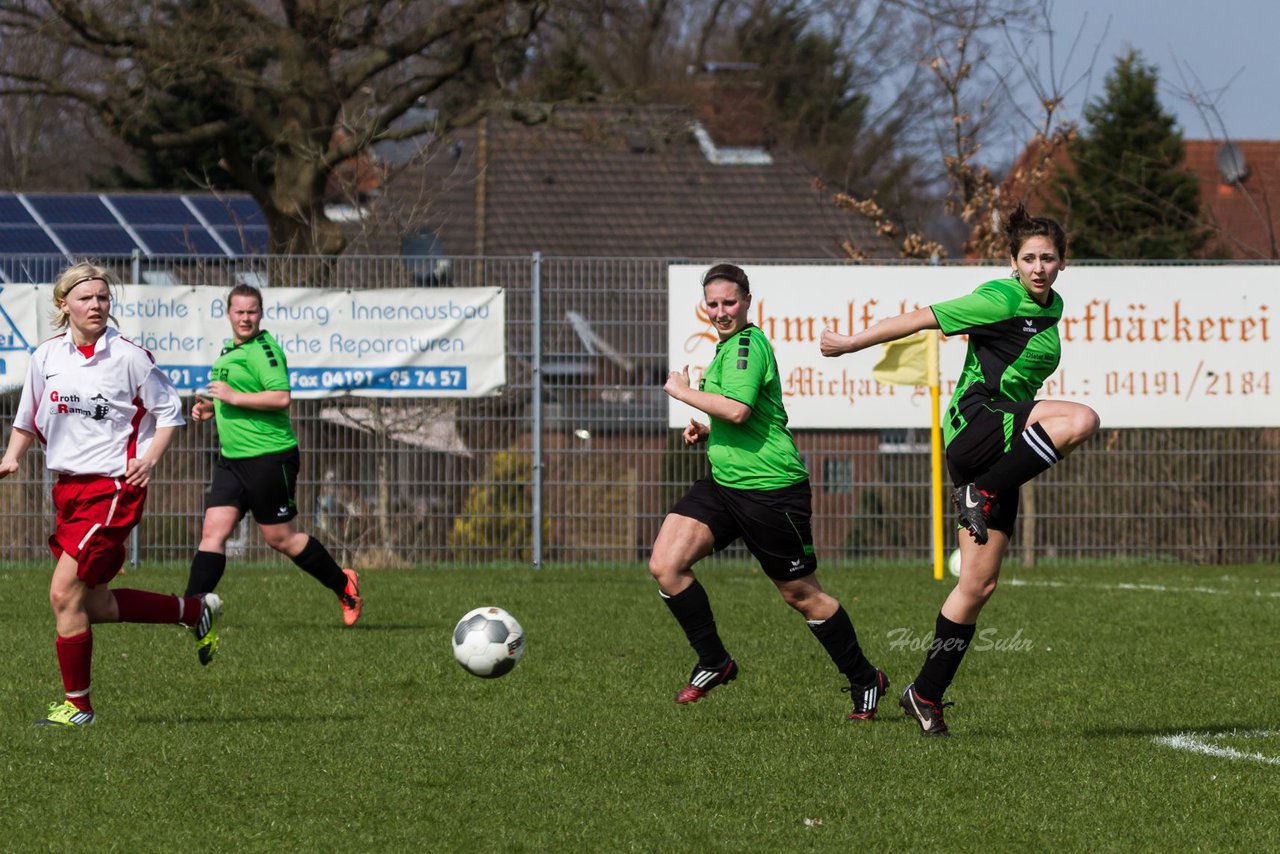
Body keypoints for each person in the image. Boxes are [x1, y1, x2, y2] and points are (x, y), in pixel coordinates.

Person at [820, 205, 1101, 736]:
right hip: (977, 425)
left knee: (977, 584)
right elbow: (920, 318)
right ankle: (980, 492)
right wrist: (850, 343)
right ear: (1013, 262)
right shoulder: (998, 298)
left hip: (1003, 448)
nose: (1038, 267)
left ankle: (925, 692)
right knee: (1082, 418)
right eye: (1028, 258)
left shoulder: (1053, 306)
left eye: (1047, 258)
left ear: (1063, 262)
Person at [651, 262, 889, 719]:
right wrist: (706, 429)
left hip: (770, 490)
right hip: (724, 484)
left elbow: (738, 410)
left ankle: (865, 678)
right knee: (666, 564)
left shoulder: (745, 347)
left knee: (801, 595)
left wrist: (682, 393)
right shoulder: (724, 349)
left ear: (747, 303)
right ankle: (714, 660)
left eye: (729, 302)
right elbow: (734, 415)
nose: (721, 311)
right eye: (714, 303)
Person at [0, 262, 220, 727]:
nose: (97, 305)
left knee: (63, 592)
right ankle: (195, 611)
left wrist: (149, 459)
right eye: (86, 298)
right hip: (69, 491)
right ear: (64, 305)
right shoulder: (46, 358)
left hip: (114, 489)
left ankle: (78, 708)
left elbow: (169, 414)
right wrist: (12, 455)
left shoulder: (129, 356)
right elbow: (26, 417)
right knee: (91, 603)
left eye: (103, 298)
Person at [182, 283, 361, 649]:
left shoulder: (266, 350)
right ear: (228, 314)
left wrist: (232, 397)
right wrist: (210, 408)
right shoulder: (229, 350)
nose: (245, 318)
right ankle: (189, 608)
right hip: (232, 460)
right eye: (239, 312)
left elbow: (280, 397)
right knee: (213, 532)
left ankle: (345, 585)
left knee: (280, 538)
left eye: (251, 311)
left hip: (269, 457)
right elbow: (231, 400)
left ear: (260, 314)